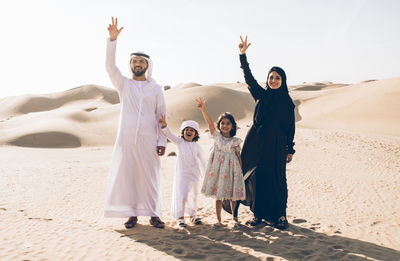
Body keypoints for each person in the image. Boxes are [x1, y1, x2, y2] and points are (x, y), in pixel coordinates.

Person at [104, 17, 167, 229]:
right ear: (130, 64)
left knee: (150, 178)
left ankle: (154, 214)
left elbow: (161, 116)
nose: (138, 64)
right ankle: (132, 214)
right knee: (129, 176)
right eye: (134, 62)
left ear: (147, 66)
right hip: (126, 139)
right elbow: (110, 67)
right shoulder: (124, 85)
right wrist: (112, 41)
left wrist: (162, 141)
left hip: (149, 140)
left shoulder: (155, 89)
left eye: (141, 62)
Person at [237, 36, 295, 230]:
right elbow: (249, 78)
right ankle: (258, 214)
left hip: (277, 144)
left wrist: (290, 149)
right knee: (257, 177)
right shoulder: (261, 95)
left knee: (278, 179)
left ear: (283, 80)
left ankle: (280, 215)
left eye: (277, 78)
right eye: (271, 77)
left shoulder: (287, 103)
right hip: (257, 142)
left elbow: (290, 127)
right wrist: (243, 56)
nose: (274, 80)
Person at [196, 98, 246, 228]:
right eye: (222, 123)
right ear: (219, 125)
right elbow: (209, 123)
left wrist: (240, 171)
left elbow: (238, 156)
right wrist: (203, 109)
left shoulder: (235, 141)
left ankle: (235, 219)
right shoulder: (216, 136)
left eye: (228, 123)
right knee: (218, 196)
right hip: (217, 170)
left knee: (232, 196)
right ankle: (219, 220)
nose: (225, 125)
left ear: (233, 126)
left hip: (231, 170)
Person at [159, 116, 206, 227]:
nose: (189, 132)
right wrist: (164, 125)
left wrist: (206, 174)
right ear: (183, 132)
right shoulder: (180, 142)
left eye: (192, 130)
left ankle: (193, 216)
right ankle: (180, 217)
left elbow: (203, 161)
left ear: (196, 134)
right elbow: (169, 135)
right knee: (182, 195)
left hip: (194, 175)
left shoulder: (197, 146)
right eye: (187, 130)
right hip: (182, 175)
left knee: (193, 195)